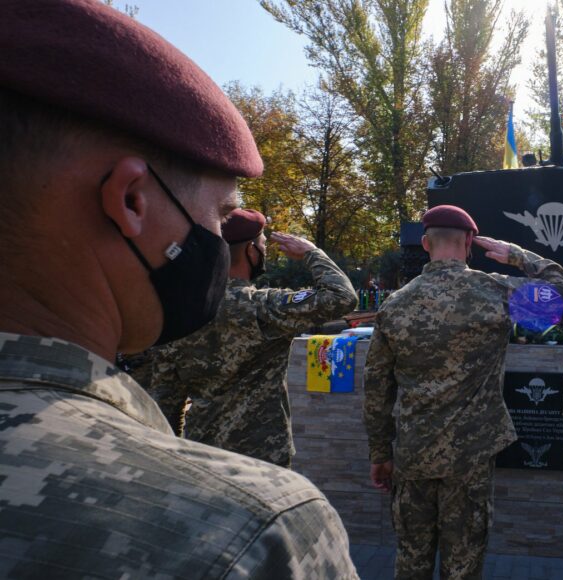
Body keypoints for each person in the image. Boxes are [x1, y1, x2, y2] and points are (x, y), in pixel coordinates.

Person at [0, 1, 358, 577]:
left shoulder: (150, 328)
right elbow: (340, 299)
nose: (215, 238)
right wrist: (311, 252)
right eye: (219, 213)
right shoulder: (253, 533)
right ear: (132, 201)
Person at [363, 205, 563, 580]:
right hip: (470, 457)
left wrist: (381, 453)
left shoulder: (394, 305)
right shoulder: (495, 291)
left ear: (426, 243)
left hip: (413, 453)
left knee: (411, 559)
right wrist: (515, 254)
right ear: (468, 244)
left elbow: (377, 388)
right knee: (463, 564)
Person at [144, 209, 357, 467]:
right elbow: (342, 297)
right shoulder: (262, 307)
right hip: (263, 459)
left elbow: (165, 403)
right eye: (263, 244)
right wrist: (312, 253)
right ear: (251, 251)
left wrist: (176, 460)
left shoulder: (179, 313)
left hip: (203, 457)